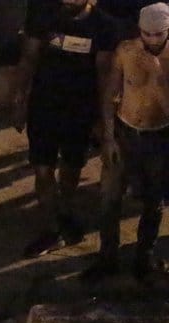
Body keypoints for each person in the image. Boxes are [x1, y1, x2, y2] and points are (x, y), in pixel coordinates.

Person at [15, 0, 118, 258]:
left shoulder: (103, 26)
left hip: (79, 111)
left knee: (72, 167)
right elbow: (28, 58)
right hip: (44, 105)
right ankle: (51, 229)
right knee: (42, 168)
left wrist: (103, 121)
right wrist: (20, 100)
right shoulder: (43, 13)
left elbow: (104, 76)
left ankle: (66, 212)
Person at [90, 2, 169, 282]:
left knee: (153, 202)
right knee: (109, 199)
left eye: (158, 35)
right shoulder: (126, 51)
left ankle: (143, 258)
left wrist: (158, 76)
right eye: (147, 34)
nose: (152, 40)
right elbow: (110, 93)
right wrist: (108, 137)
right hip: (125, 133)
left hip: (158, 137)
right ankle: (107, 257)